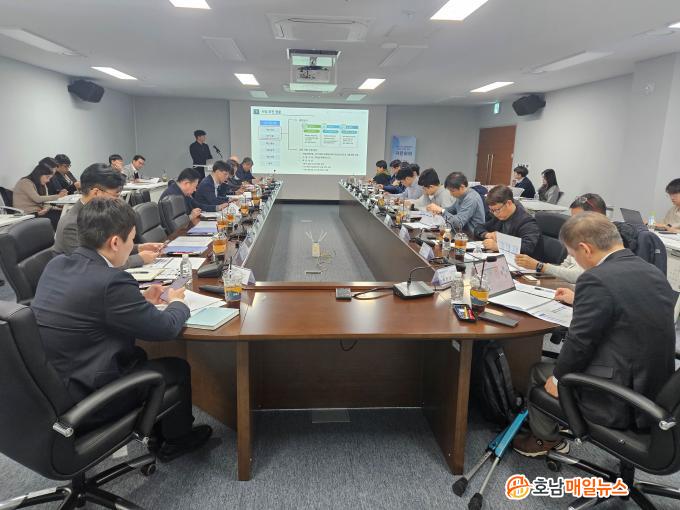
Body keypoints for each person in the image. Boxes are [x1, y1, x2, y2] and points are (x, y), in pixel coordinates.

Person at [32, 198, 212, 462]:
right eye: (131, 239)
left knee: (141, 356)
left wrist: (141, 300)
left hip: (50, 387)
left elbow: (90, 307)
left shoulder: (55, 265)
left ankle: (157, 428)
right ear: (115, 242)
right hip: (89, 397)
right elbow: (166, 328)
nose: (132, 246)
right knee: (176, 368)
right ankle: (175, 441)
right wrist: (178, 303)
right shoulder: (112, 281)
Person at [513, 212, 676, 457]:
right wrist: (579, 299)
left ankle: (545, 439)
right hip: (655, 390)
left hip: (618, 399)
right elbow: (630, 307)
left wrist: (558, 380)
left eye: (572, 254)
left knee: (540, 372)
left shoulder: (596, 279)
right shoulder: (652, 271)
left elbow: (579, 343)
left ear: (585, 249)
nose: (574, 260)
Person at [516, 193, 648, 284]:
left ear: (596, 216)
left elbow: (581, 275)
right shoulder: (581, 235)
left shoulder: (606, 242)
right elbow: (567, 265)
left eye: (578, 218)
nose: (573, 223)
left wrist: (541, 266)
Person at [53, 163, 161, 268]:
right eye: (116, 196)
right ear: (96, 193)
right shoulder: (72, 224)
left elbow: (106, 250)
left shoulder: (99, 213)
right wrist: (139, 259)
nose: (119, 200)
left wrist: (139, 248)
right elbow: (92, 267)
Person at [474, 185, 542, 256]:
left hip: (524, 261)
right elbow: (479, 227)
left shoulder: (527, 222)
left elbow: (528, 247)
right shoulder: (500, 216)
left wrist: (499, 246)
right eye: (492, 210)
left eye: (497, 210)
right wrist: (487, 234)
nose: (495, 214)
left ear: (509, 203)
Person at [13, 163, 67, 230]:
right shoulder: (25, 182)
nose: (48, 180)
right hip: (28, 214)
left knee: (64, 214)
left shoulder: (41, 184)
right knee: (59, 217)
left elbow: (45, 201)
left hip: (39, 212)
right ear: (39, 174)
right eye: (47, 177)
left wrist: (47, 208)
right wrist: (58, 196)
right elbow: (37, 199)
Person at [160, 167, 229, 219]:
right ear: (187, 183)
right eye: (195, 186)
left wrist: (217, 207)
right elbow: (174, 224)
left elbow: (197, 205)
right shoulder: (172, 196)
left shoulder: (183, 192)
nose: (195, 190)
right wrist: (190, 217)